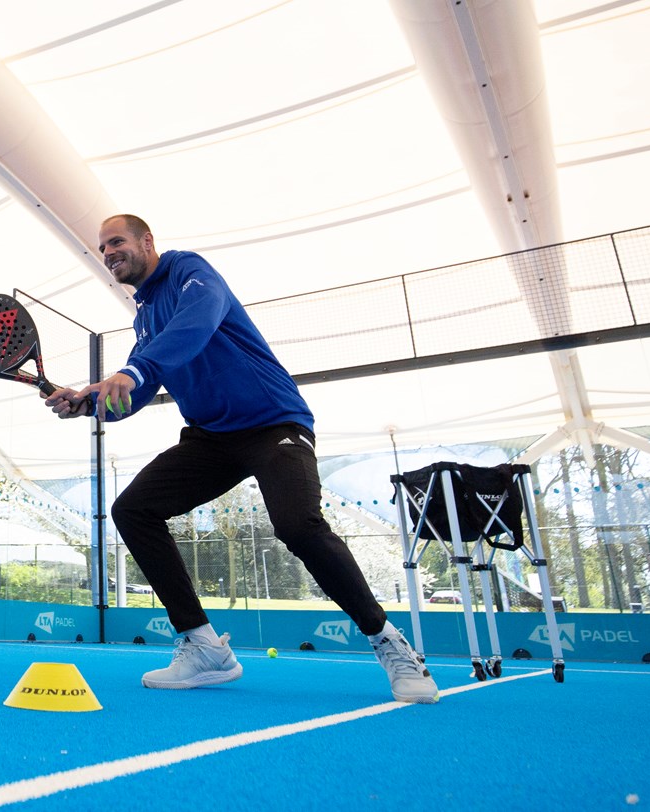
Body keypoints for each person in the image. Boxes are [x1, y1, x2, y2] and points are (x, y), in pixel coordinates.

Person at [43, 214, 438, 703]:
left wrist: (133, 368)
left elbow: (200, 319)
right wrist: (90, 402)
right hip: (211, 439)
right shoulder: (144, 318)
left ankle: (390, 643)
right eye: (102, 248)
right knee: (132, 509)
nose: (108, 254)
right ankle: (203, 646)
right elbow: (139, 390)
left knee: (299, 527)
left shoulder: (191, 271)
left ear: (148, 241)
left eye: (116, 242)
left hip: (275, 424)